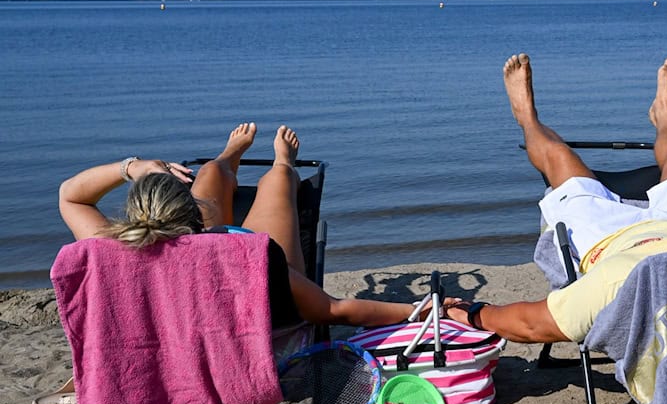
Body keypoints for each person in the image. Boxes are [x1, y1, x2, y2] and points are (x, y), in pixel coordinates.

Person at [445, 53, 667, 344]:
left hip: (611, 241)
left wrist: (475, 312)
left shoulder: (626, 279)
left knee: (560, 160)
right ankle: (663, 114)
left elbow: (533, 325)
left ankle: (527, 117)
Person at [58, 122, 427, 329]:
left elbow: (70, 195)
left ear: (136, 214)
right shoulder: (247, 257)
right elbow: (331, 310)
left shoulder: (109, 251)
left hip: (196, 252)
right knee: (277, 185)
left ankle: (227, 159)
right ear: (192, 216)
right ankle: (283, 163)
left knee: (210, 172)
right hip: (246, 282)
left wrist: (131, 167)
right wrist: (420, 310)